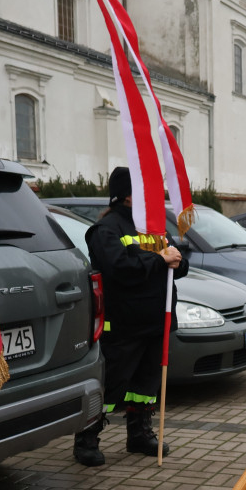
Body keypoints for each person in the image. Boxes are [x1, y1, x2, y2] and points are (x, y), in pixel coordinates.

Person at [73, 166, 189, 467]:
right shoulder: (106, 230)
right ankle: (87, 439)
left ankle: (139, 434)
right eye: (145, 190)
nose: (153, 196)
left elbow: (172, 265)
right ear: (127, 195)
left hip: (155, 322)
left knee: (146, 386)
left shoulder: (151, 227)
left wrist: (177, 260)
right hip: (124, 324)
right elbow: (120, 269)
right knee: (112, 385)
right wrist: (159, 259)